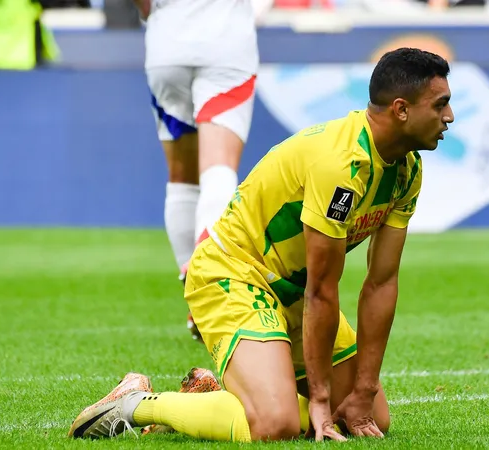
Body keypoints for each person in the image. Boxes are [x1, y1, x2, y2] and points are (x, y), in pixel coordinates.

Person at [67, 47, 454, 443]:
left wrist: (364, 391)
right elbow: (322, 289)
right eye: (440, 104)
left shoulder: (407, 170)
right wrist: (320, 398)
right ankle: (136, 403)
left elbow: (381, 283)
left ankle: (217, 399)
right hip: (232, 272)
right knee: (275, 423)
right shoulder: (341, 163)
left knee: (371, 418)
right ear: (401, 109)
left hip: (293, 291)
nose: (450, 116)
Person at [131, 0, 261, 341]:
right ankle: (210, 292)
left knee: (182, 179)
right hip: (226, 42)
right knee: (218, 169)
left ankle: (194, 293)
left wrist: (150, 12)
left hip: (167, 43)